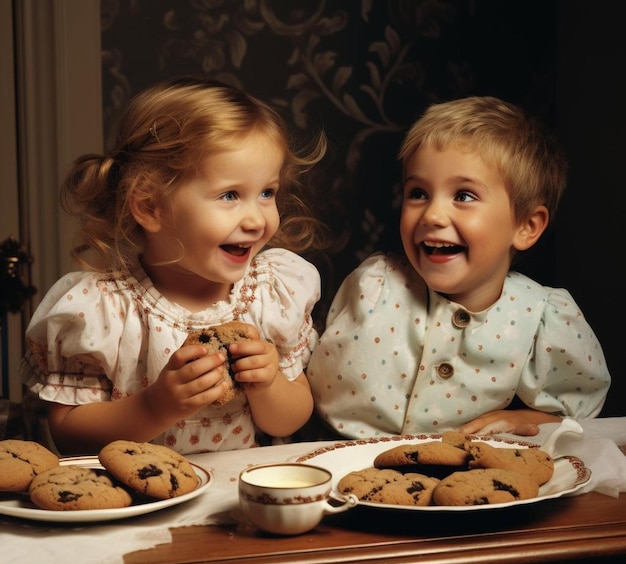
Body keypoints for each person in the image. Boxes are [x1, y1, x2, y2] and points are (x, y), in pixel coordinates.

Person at [20, 76, 329, 455]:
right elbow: (68, 432)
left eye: (267, 192)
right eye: (230, 195)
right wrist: (154, 406)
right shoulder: (103, 311)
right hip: (142, 501)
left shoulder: (272, 294)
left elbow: (292, 420)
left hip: (240, 496)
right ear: (151, 206)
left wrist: (270, 386)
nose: (256, 219)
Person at [307, 95, 610, 440]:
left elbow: (577, 418)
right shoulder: (374, 286)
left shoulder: (541, 318)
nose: (432, 215)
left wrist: (524, 418)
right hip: (343, 471)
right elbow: (313, 390)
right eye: (418, 193)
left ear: (526, 225)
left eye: (464, 196)